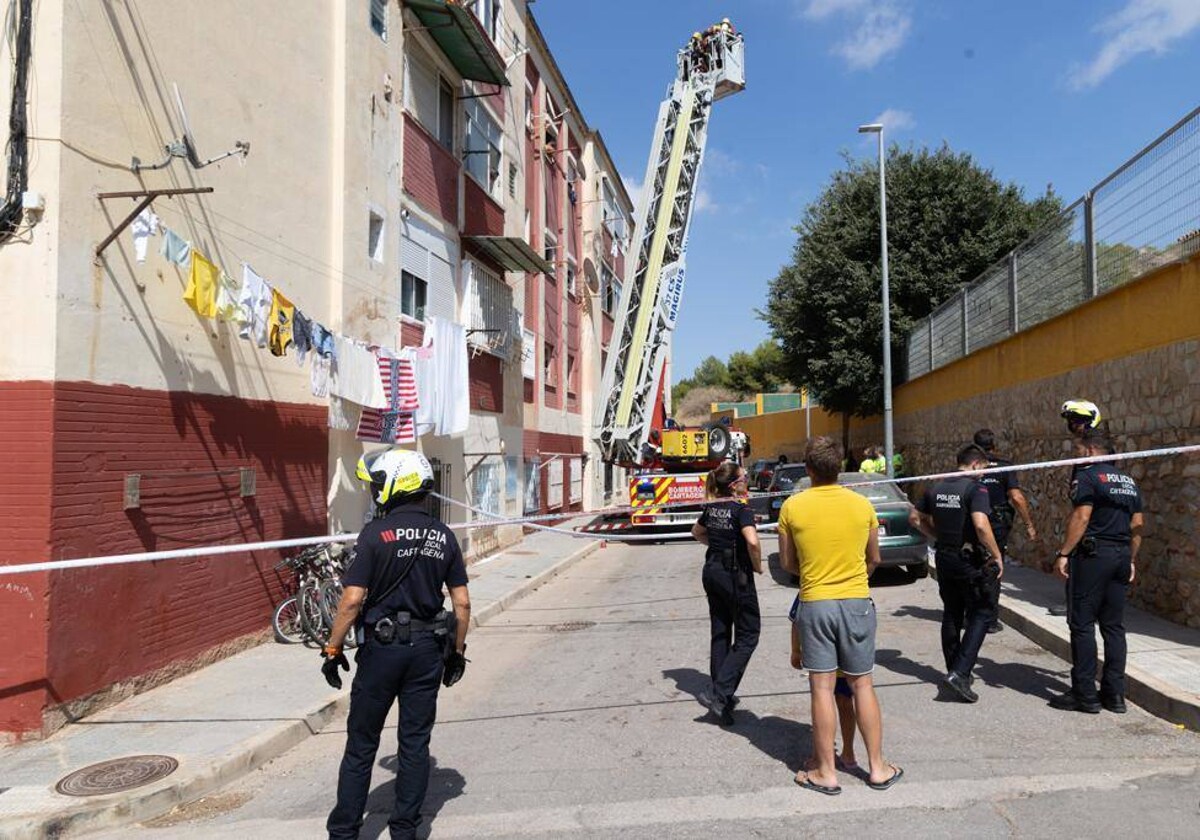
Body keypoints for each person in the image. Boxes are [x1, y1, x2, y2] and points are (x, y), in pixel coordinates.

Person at [323, 448, 472, 840]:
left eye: (376, 485)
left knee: (361, 745)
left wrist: (333, 649)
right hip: (427, 651)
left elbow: (352, 600)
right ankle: (405, 830)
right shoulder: (444, 536)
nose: (374, 492)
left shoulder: (375, 534)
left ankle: (344, 833)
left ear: (393, 486)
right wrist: (457, 653)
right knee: (414, 743)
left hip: (382, 652)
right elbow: (462, 602)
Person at [779, 436, 902, 794]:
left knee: (821, 687)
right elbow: (875, 558)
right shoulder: (861, 505)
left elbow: (788, 563)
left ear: (808, 469)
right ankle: (877, 767)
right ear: (841, 469)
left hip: (815, 602)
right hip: (856, 602)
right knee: (862, 683)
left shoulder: (793, 507)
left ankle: (826, 772)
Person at [1049, 430, 1143, 714]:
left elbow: (1082, 516)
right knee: (1114, 626)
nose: (1076, 456)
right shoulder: (1129, 482)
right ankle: (1114, 695)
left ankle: (1085, 694)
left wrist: (1064, 553)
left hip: (1093, 556)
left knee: (1082, 623)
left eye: (1078, 450)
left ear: (1090, 450)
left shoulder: (1088, 476)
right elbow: (1138, 524)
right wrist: (1131, 559)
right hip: (1120, 554)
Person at [910, 445, 1004, 703]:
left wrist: (937, 536)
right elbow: (981, 525)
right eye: (983, 469)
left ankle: (955, 669)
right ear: (975, 465)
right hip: (968, 559)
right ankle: (960, 673)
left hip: (944, 557)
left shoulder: (936, 487)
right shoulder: (976, 488)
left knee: (952, 612)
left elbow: (915, 518)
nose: (984, 475)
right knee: (983, 613)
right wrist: (996, 555)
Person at [691, 462, 762, 725]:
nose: (747, 480)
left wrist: (718, 547)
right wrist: (757, 565)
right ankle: (718, 692)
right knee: (748, 635)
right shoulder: (741, 509)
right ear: (734, 485)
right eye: (744, 477)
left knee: (720, 633)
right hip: (735, 575)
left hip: (712, 571)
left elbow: (697, 532)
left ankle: (722, 699)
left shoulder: (711, 508)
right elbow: (752, 542)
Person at [972, 429, 1038, 633]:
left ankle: (972, 615)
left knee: (974, 565)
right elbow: (1017, 498)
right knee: (994, 566)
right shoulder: (1005, 466)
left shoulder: (970, 466)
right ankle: (990, 620)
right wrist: (1029, 524)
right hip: (998, 524)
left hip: (974, 522)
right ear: (994, 446)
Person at [790, 596, 860, 773]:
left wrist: (795, 651)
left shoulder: (811, 587)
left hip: (821, 656)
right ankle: (849, 753)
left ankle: (820, 758)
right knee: (845, 703)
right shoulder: (853, 588)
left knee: (822, 701)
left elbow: (796, 621)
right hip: (846, 654)